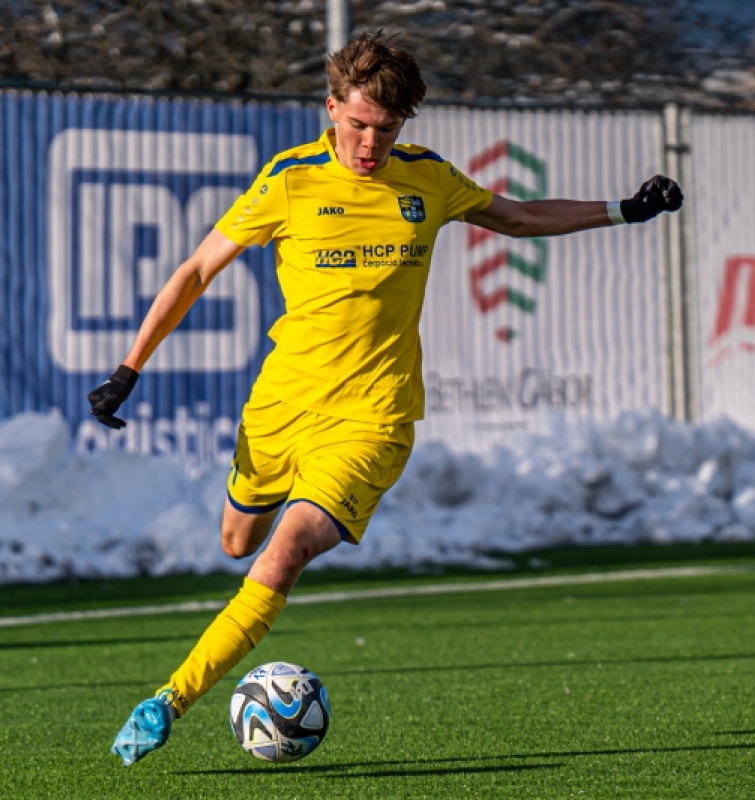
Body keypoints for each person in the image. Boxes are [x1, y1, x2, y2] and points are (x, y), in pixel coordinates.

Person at [88, 30, 683, 766]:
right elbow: (195, 270)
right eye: (359, 125)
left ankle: (168, 699)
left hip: (373, 418)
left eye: (388, 129)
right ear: (331, 107)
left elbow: (522, 217)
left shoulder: (428, 180)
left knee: (279, 558)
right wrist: (129, 367)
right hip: (279, 408)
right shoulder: (290, 179)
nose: (370, 144)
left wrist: (625, 209)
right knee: (235, 542)